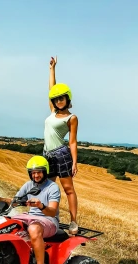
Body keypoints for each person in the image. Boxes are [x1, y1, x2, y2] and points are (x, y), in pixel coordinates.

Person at [0, 156, 60, 264]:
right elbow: (13, 202)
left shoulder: (53, 187)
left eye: (39, 172)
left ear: (45, 171)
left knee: (33, 229)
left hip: (48, 220)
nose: (36, 175)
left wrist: (40, 205)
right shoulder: (28, 185)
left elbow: (52, 211)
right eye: (33, 173)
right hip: (29, 216)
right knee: (4, 223)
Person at [45, 56, 79, 235]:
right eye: (56, 99)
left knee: (68, 189)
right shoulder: (52, 111)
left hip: (62, 155)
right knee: (48, 189)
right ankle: (52, 218)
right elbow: (52, 89)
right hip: (47, 155)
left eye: (61, 98)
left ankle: (73, 221)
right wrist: (52, 69)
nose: (58, 101)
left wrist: (74, 162)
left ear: (67, 99)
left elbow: (72, 141)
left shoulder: (71, 118)